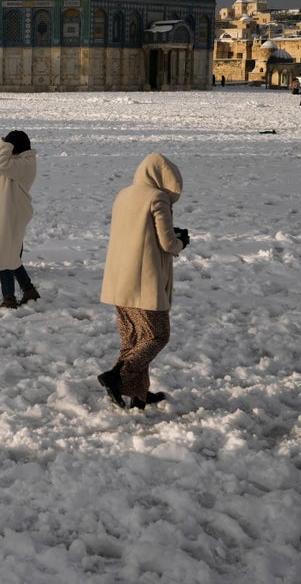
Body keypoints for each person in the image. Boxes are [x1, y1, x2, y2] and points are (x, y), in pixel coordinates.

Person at [97, 153, 188, 411]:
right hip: (143, 283)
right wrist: (182, 241)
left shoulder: (123, 195)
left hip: (119, 280)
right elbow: (167, 243)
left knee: (133, 340)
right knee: (157, 336)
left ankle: (138, 394)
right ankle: (117, 378)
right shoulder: (157, 198)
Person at [0, 131, 40, 310]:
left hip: (10, 216)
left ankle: (9, 300)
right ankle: (28, 290)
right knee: (9, 256)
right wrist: (5, 144)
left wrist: (4, 143)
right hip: (6, 214)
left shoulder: (23, 164)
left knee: (2, 257)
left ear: (14, 148)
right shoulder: (18, 162)